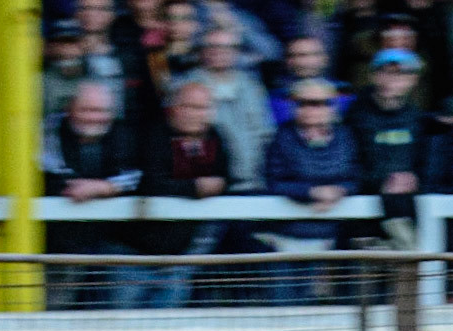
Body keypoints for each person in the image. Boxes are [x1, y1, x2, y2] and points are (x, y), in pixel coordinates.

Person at [116, 80, 232, 308]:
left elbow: (224, 179)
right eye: (188, 106)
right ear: (174, 108)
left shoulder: (215, 137)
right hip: (132, 253)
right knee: (120, 327)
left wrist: (212, 185)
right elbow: (149, 183)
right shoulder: (152, 135)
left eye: (202, 108)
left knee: (167, 327)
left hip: (179, 255)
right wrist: (195, 188)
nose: (195, 114)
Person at [42, 80, 141, 309]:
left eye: (103, 111)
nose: (96, 117)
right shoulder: (50, 129)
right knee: (53, 313)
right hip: (58, 248)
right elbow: (55, 177)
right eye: (88, 110)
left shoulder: (120, 131)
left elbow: (136, 175)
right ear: (69, 108)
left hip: (107, 245)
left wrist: (101, 188)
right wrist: (108, 186)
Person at [261, 77, 359, 304]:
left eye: (319, 103)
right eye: (303, 103)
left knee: (323, 310)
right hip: (286, 239)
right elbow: (274, 182)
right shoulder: (281, 139)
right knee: (284, 306)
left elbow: (355, 176)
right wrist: (312, 192)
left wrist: (338, 191)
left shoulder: (345, 137)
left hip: (332, 238)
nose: (311, 109)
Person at [345, 48, 431, 248]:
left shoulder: (416, 118)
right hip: (363, 220)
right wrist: (383, 180)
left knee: (409, 270)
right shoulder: (354, 117)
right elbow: (347, 164)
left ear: (413, 80)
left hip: (408, 214)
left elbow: (426, 164)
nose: (393, 79)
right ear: (373, 75)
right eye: (386, 72)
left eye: (401, 73)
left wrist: (415, 179)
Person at [178, 28, 275, 191]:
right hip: (208, 187)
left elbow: (266, 134)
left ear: (236, 52)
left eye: (226, 47)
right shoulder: (186, 86)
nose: (218, 52)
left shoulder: (252, 86)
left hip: (255, 182)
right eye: (212, 46)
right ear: (203, 51)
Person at [270, 35, 333, 124]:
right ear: (286, 61)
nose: (300, 61)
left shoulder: (344, 95)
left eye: (308, 55)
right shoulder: (274, 99)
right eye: (293, 56)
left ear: (324, 58)